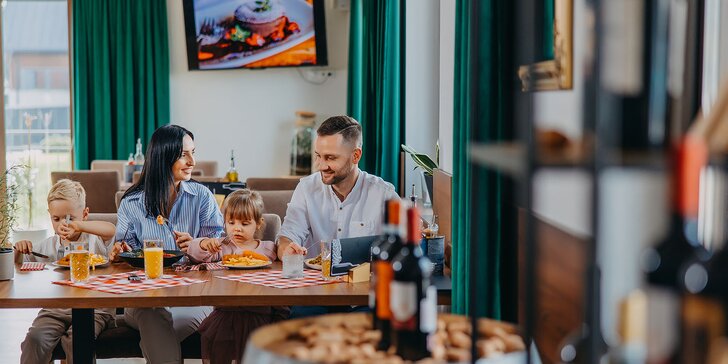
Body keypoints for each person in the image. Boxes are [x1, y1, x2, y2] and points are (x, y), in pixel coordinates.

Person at [112, 124, 224, 363]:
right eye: (184, 154)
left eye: (193, 152)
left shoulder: (202, 197)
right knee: (153, 314)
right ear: (163, 156)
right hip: (144, 298)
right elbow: (123, 256)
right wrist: (121, 251)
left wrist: (198, 245)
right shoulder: (131, 202)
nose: (192, 161)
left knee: (159, 335)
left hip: (193, 296)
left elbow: (221, 250)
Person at [276, 115, 400, 317]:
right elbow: (288, 235)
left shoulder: (383, 194)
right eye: (318, 156)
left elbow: (406, 244)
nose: (320, 165)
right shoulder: (306, 188)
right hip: (315, 294)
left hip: (364, 297)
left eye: (330, 158)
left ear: (355, 156)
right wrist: (286, 249)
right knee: (301, 325)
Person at [15, 179, 116, 364]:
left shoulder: (95, 240)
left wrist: (80, 226)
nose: (64, 224)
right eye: (57, 219)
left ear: (85, 214)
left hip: (95, 309)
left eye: (70, 218)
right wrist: (18, 251)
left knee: (78, 342)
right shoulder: (47, 246)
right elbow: (21, 267)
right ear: (50, 216)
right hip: (55, 310)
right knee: (34, 340)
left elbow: (110, 229)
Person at [188, 189, 289, 364]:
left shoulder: (269, 248)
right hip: (227, 314)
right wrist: (204, 244)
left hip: (261, 313)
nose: (237, 228)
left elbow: (280, 272)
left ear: (258, 223)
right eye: (231, 222)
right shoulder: (223, 247)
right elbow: (195, 254)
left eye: (244, 223)